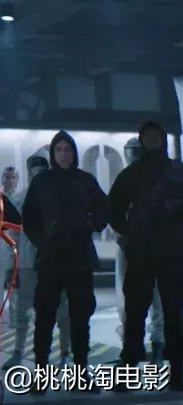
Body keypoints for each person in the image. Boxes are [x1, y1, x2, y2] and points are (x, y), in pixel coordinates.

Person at [22, 130, 108, 393]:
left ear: (74, 153)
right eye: (58, 150)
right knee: (45, 317)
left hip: (79, 258)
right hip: (50, 258)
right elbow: (30, 216)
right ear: (52, 153)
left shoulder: (85, 180)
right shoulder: (42, 182)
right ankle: (41, 374)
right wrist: (42, 240)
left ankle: (81, 373)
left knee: (80, 317)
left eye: (67, 149)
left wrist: (90, 225)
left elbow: (103, 208)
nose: (63, 155)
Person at [108, 121, 183, 390]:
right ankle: (129, 369)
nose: (152, 139)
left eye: (155, 135)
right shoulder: (131, 174)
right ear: (142, 140)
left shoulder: (177, 170)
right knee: (135, 311)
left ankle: (178, 372)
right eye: (147, 136)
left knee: (174, 312)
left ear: (162, 139)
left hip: (173, 252)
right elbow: (113, 208)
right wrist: (127, 236)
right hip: (141, 252)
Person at [0, 156, 72, 369]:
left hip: (55, 263)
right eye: (35, 172)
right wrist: (12, 267)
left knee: (61, 310)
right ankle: (18, 352)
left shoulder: (60, 197)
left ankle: (65, 352)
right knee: (21, 311)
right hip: (26, 264)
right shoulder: (19, 199)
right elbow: (12, 235)